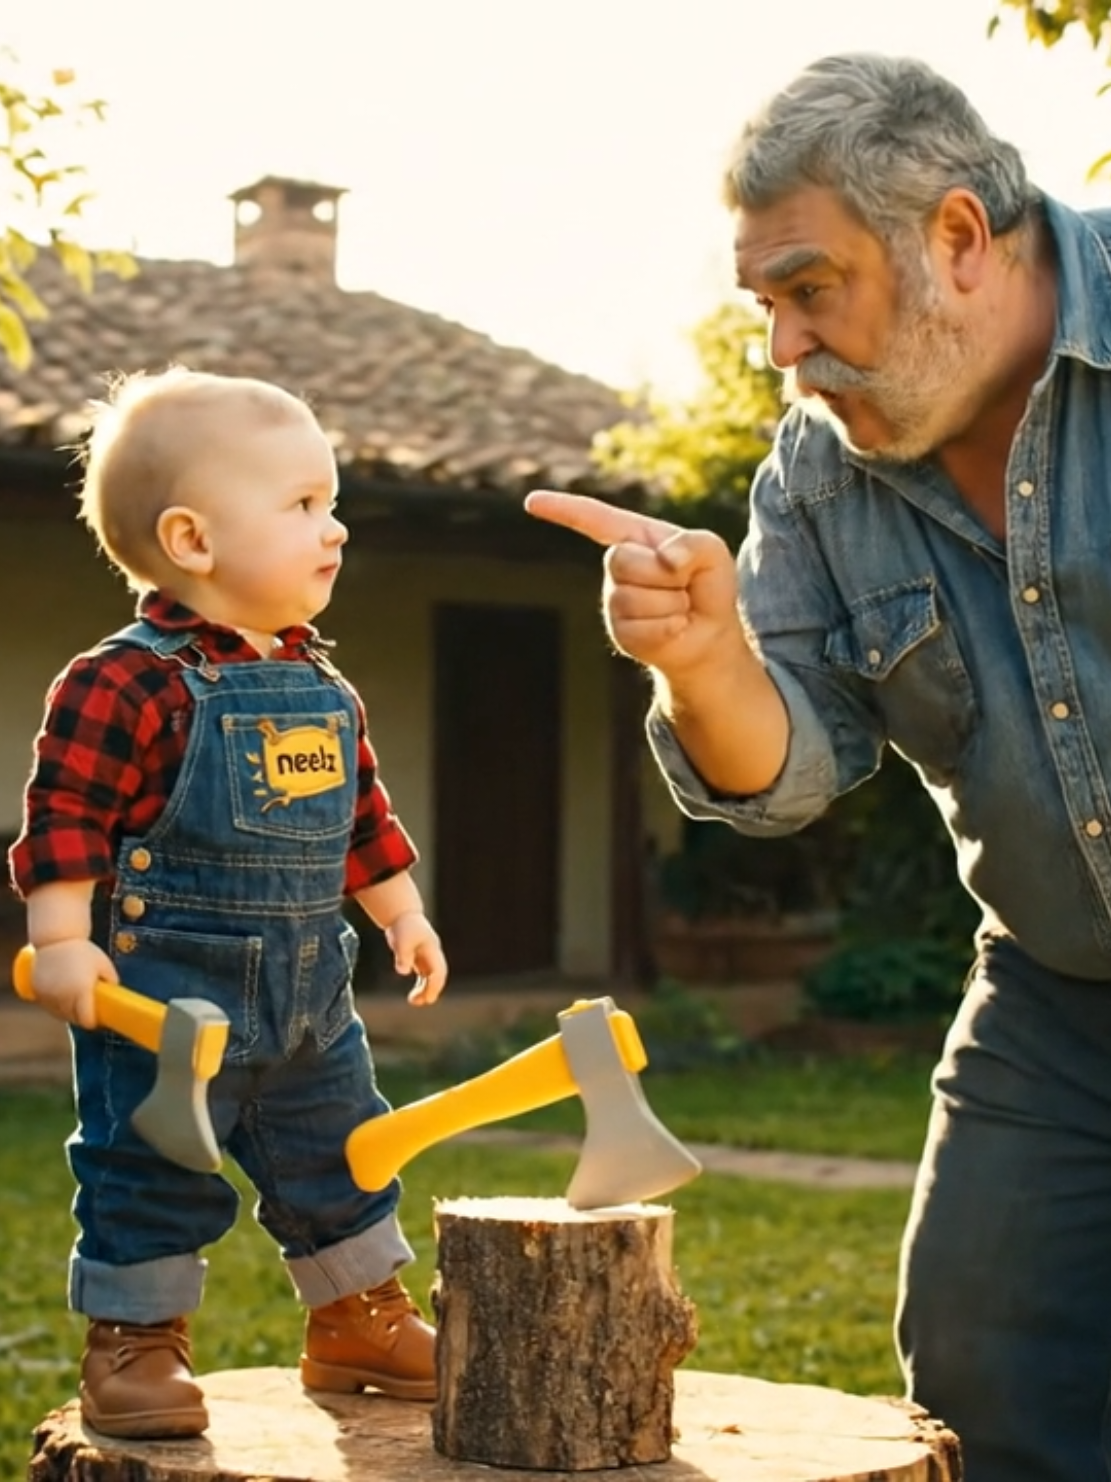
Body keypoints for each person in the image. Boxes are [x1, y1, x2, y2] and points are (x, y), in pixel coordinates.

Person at [526, 49, 1111, 1482]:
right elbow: (780, 764)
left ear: (958, 239)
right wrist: (703, 656)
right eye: (762, 307)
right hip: (1056, 985)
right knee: (975, 1363)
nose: (780, 348)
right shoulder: (818, 474)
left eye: (807, 289)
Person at [8, 367, 448, 1440]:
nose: (335, 529)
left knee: (341, 1153)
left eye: (331, 503)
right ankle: (137, 1341)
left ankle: (354, 1313)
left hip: (311, 1000)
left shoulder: (325, 688)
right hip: (169, 1011)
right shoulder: (122, 682)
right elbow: (65, 817)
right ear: (193, 540)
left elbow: (361, 823)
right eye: (303, 506)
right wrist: (61, 939)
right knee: (149, 1170)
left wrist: (401, 914)